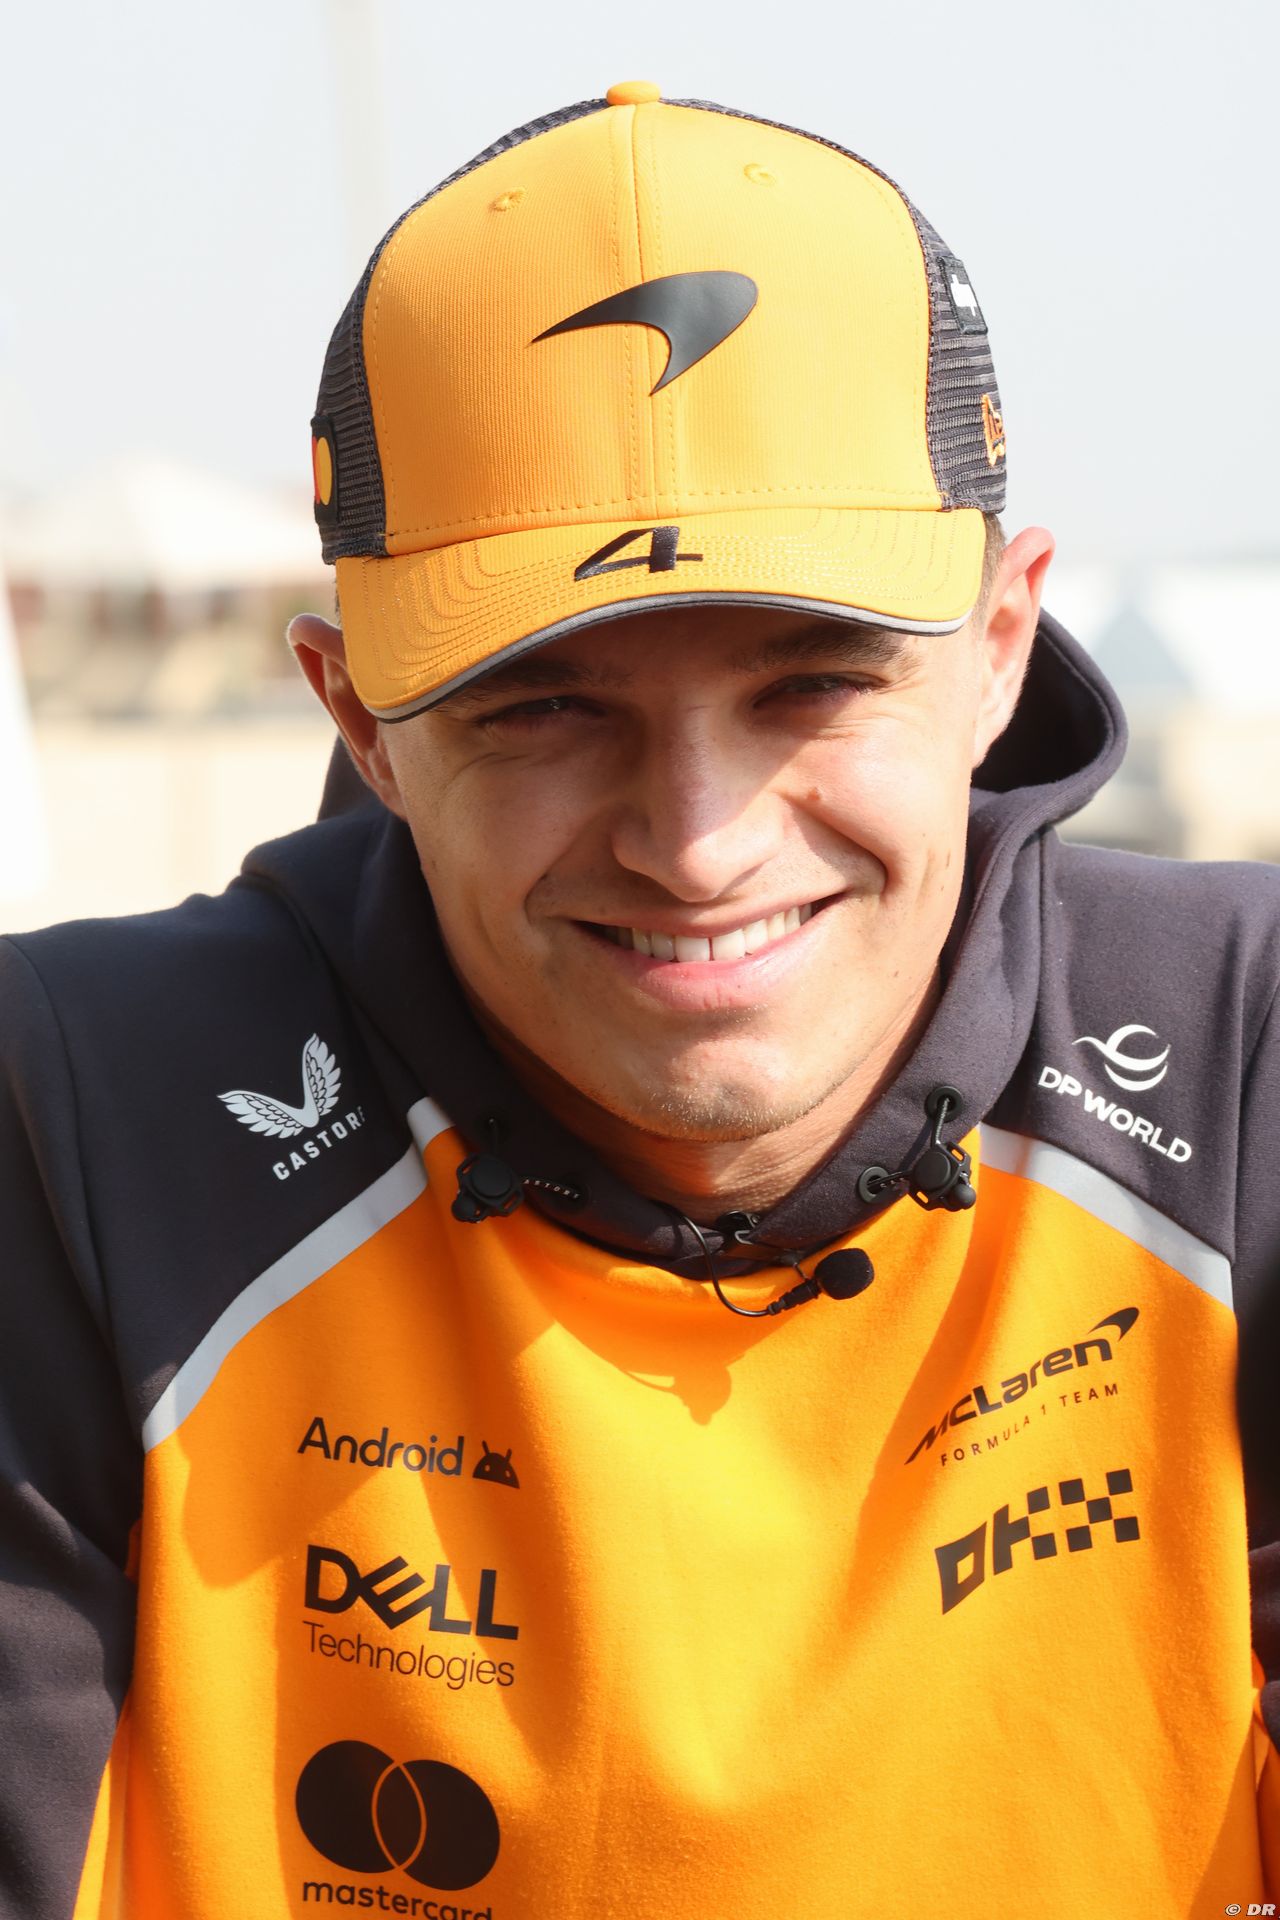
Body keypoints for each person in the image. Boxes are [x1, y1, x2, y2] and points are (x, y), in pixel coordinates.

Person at [2, 80, 1278, 1920]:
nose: (696, 843)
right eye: (545, 705)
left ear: (1002, 646)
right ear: (360, 715)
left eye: (812, 685)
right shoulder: (73, 1118)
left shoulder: (1242, 1057)